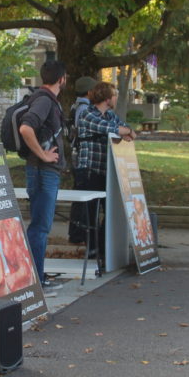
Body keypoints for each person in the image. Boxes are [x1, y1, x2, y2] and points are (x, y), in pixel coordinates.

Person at [18, 60, 67, 289]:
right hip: (42, 171)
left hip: (43, 171)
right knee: (40, 226)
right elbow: (26, 128)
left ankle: (37, 275)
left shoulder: (44, 99)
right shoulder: (45, 101)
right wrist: (44, 155)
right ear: (62, 79)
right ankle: (35, 279)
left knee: (40, 226)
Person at [75, 82, 137, 254]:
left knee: (109, 211)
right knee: (91, 213)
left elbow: (130, 132)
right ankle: (92, 249)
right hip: (89, 170)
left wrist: (127, 131)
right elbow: (111, 129)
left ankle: (104, 249)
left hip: (106, 172)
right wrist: (125, 131)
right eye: (115, 95)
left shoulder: (110, 115)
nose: (116, 98)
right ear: (107, 98)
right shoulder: (87, 114)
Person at [68, 76, 98, 244]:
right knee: (82, 197)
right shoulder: (85, 109)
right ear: (89, 92)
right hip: (82, 157)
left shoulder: (76, 105)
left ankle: (77, 232)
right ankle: (78, 234)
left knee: (79, 195)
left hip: (76, 155)